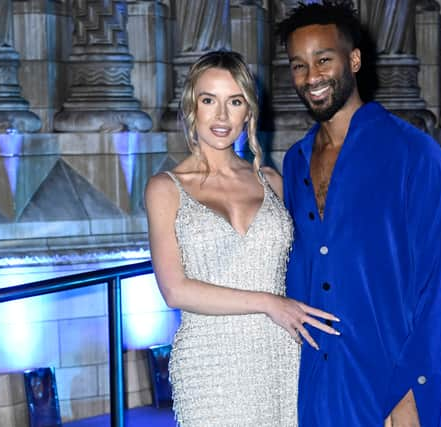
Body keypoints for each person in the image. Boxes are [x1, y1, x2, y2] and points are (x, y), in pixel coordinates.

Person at [277, 2, 441, 426]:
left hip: (387, 386)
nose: (312, 77)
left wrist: (410, 391)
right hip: (315, 386)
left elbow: (436, 287)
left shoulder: (413, 154)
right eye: (299, 65)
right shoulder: (294, 162)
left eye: (324, 59)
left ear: (354, 60)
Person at [144, 50, 340, 427]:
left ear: (248, 112)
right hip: (210, 362)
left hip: (280, 351)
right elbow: (175, 290)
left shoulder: (273, 181)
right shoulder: (166, 189)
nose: (221, 116)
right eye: (208, 101)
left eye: (234, 102)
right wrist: (268, 302)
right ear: (192, 108)